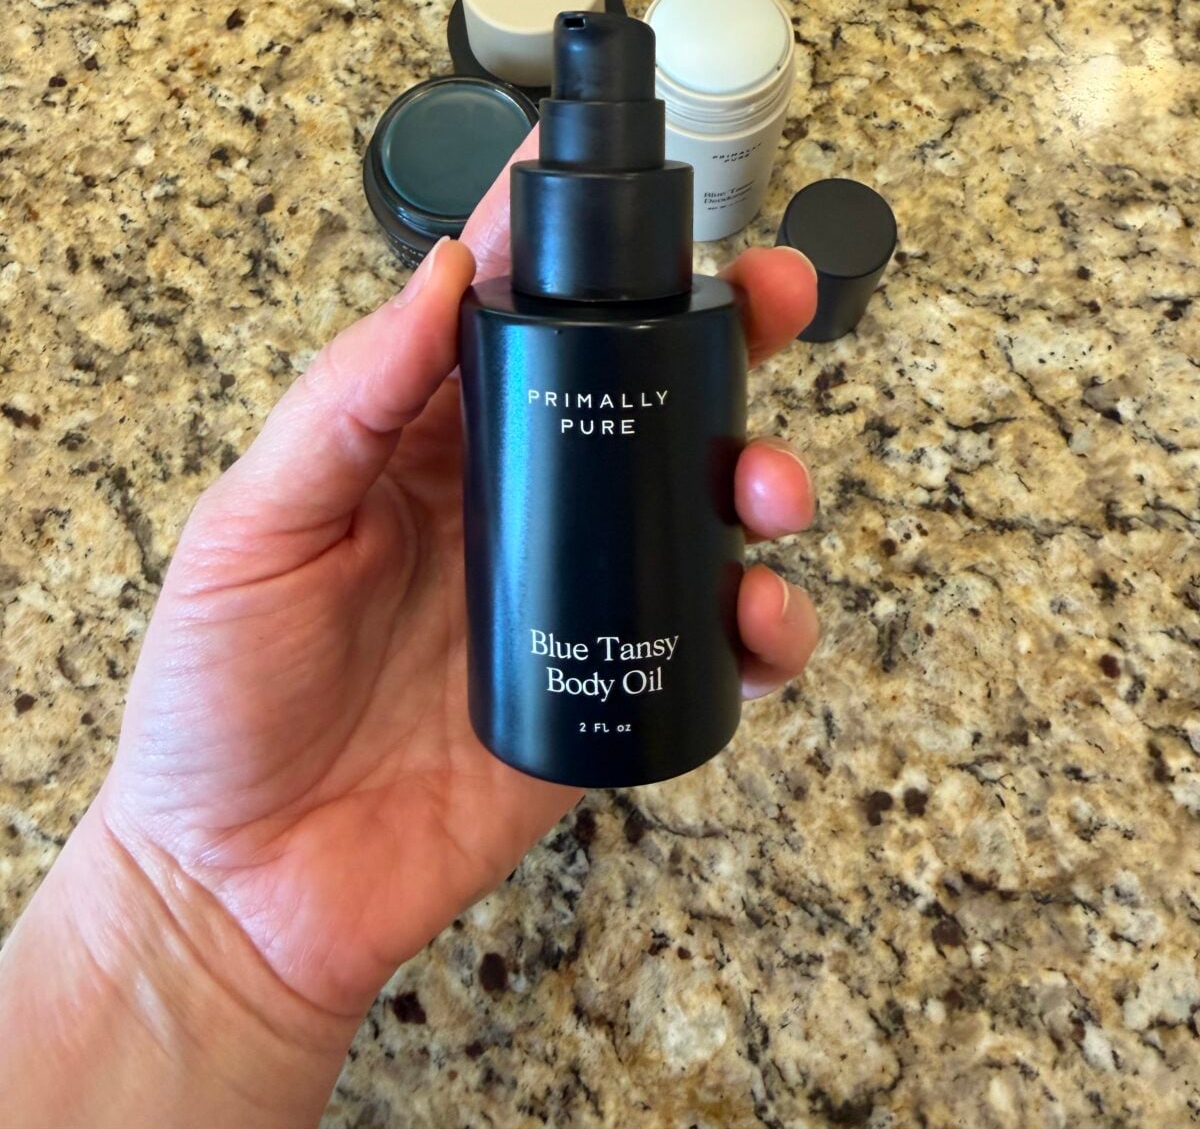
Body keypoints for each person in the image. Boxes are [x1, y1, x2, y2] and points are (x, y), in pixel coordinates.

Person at [0, 139, 821, 1127]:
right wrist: (184, 899)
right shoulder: (500, 319)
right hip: (416, 744)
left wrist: (197, 940)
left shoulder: (695, 320)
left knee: (751, 534)